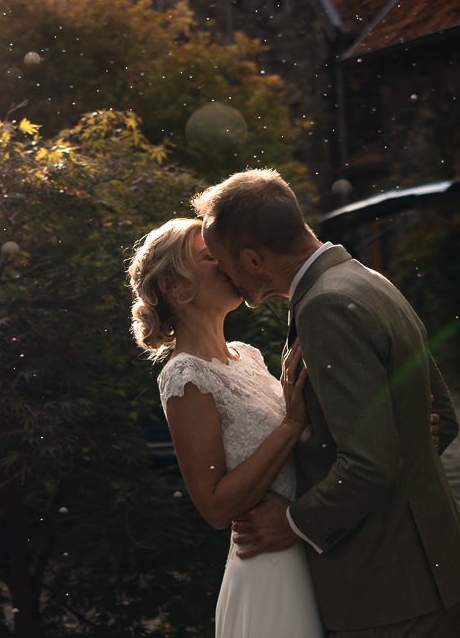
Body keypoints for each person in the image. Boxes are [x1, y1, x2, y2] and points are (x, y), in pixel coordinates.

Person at [192, 169, 460, 638]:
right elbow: (440, 421)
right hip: (431, 573)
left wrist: (293, 522)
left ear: (252, 258)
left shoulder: (325, 308)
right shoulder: (366, 279)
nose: (223, 273)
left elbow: (371, 464)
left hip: (389, 590)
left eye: (224, 261)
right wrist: (400, 441)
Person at [128, 218, 326, 637]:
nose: (227, 262)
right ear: (173, 285)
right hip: (269, 568)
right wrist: (291, 424)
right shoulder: (184, 376)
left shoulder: (247, 357)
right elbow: (215, 507)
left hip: (302, 549)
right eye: (209, 257)